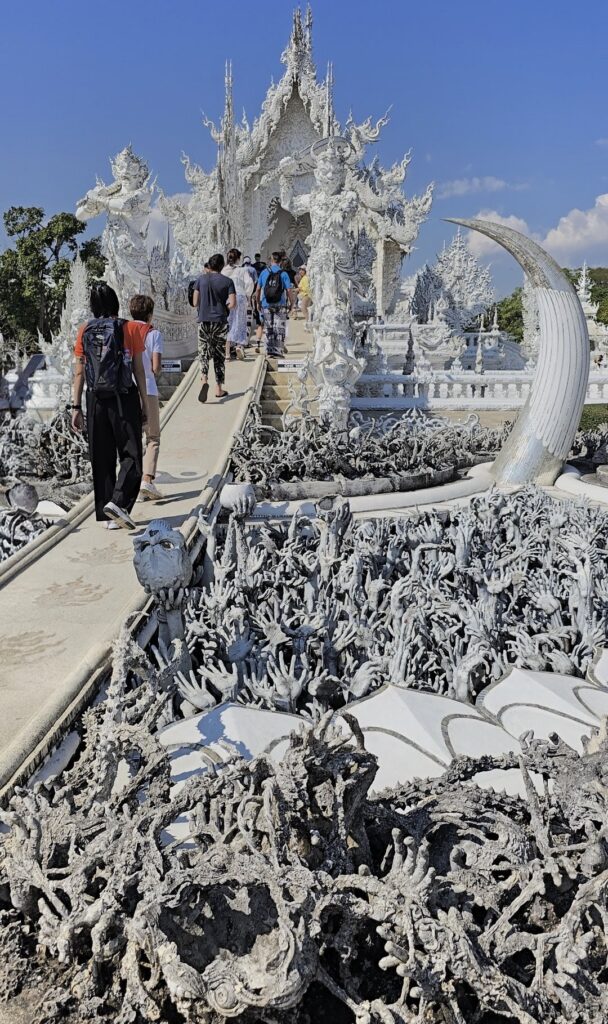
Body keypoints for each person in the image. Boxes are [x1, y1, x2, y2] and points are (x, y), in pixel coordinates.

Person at [71, 282, 148, 530]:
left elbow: (79, 372)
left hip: (95, 399)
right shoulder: (131, 328)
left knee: (101, 457)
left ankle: (107, 516)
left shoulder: (84, 330)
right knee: (132, 454)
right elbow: (139, 370)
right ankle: (119, 503)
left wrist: (75, 407)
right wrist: (145, 404)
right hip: (123, 397)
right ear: (115, 302)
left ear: (93, 306)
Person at [130, 294, 164, 501]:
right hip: (148, 389)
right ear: (150, 314)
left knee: (133, 438)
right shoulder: (154, 334)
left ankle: (131, 483)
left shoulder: (124, 330)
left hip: (127, 391)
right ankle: (147, 480)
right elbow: (156, 366)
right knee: (153, 437)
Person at [192, 253, 236, 402]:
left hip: (204, 320)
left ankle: (204, 380)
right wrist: (224, 306)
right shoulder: (228, 281)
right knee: (218, 355)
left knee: (203, 352)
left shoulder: (200, 280)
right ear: (222, 266)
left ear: (209, 265)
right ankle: (218, 388)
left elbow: (195, 302)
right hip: (220, 321)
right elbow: (233, 303)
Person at [256, 251, 293, 358]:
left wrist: (258, 303)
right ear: (280, 261)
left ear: (271, 260)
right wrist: (291, 303)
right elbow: (289, 290)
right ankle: (278, 351)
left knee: (268, 328)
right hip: (280, 304)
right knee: (279, 328)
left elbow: (258, 289)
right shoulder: (283, 273)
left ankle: (269, 352)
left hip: (266, 304)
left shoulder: (264, 272)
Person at [223, 248, 255, 360]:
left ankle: (227, 353)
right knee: (240, 322)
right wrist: (248, 294)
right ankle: (239, 346)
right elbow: (250, 283)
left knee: (228, 323)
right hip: (240, 297)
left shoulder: (224, 271)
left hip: (227, 298)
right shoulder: (242, 270)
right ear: (238, 258)